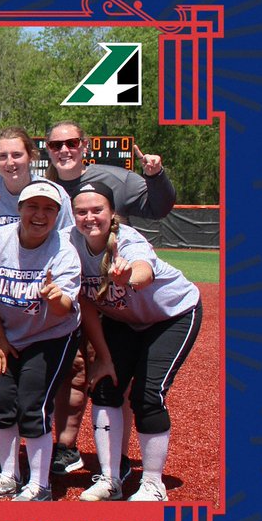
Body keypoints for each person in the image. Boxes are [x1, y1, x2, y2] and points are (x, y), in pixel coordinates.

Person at [44, 121, 176, 479]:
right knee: (71, 371)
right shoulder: (42, 187)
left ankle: (116, 458)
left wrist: (156, 175)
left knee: (116, 376)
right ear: (48, 150)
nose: (64, 150)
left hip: (111, 293)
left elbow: (160, 207)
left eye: (71, 142)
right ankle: (66, 447)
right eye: (56, 145)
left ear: (84, 145)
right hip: (71, 293)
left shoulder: (116, 179)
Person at [69, 182, 201, 501]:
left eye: (97, 209)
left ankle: (153, 484)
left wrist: (128, 276)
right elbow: (86, 304)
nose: (89, 217)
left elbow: (144, 271)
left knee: (147, 394)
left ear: (112, 213)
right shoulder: (68, 243)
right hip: (123, 321)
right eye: (81, 211)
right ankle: (110, 477)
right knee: (104, 385)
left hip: (172, 315)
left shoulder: (128, 240)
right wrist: (102, 355)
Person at [0, 127, 71, 482]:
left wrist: (61, 293)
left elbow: (66, 242)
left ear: (31, 156)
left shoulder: (52, 196)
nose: (10, 162)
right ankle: (3, 464)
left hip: (44, 310)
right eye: (3, 156)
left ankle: (45, 467)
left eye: (17, 154)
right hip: (0, 303)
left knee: (35, 394)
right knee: (0, 394)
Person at [0, 181, 81, 501]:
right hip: (5, 332)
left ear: (59, 215)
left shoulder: (64, 253)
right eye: (32, 206)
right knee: (1, 402)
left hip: (50, 335)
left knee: (33, 406)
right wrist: (0, 339)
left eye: (49, 209)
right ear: (19, 209)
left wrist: (55, 295)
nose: (40, 214)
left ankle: (39, 484)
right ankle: (8, 475)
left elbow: (64, 311)